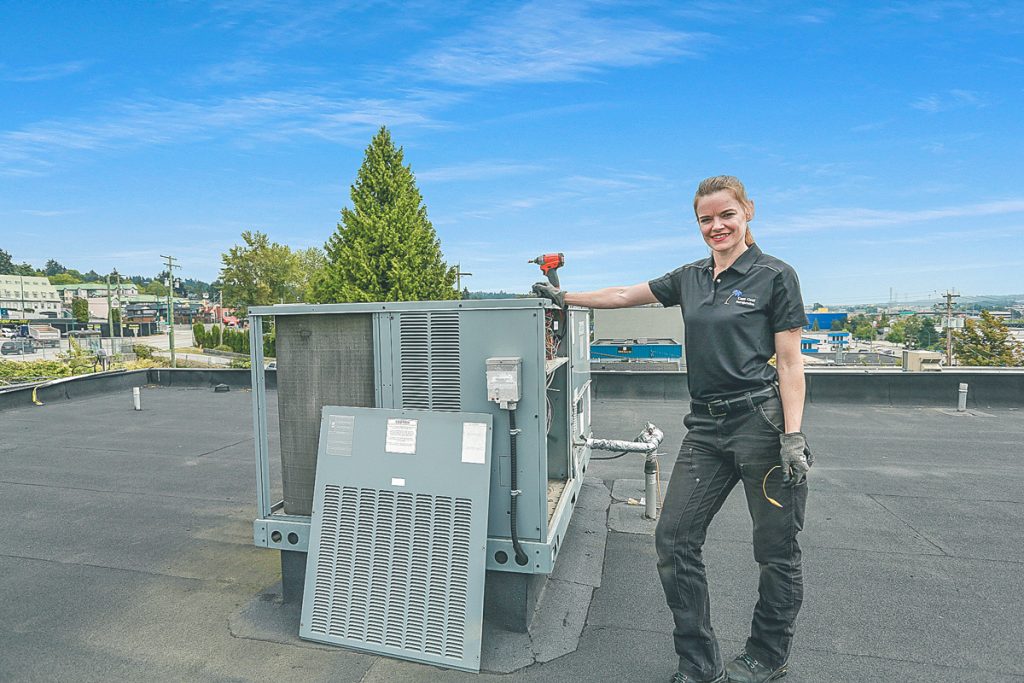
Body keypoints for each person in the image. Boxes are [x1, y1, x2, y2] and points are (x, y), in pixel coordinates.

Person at [533, 176, 811, 683]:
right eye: (706, 219)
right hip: (706, 426)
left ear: (749, 211)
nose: (717, 226)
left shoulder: (775, 275)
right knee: (674, 539)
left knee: (775, 550)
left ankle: (768, 655)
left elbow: (790, 363)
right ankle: (700, 663)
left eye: (726, 214)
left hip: (761, 424)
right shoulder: (691, 278)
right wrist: (564, 295)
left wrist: (792, 436)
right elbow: (624, 295)